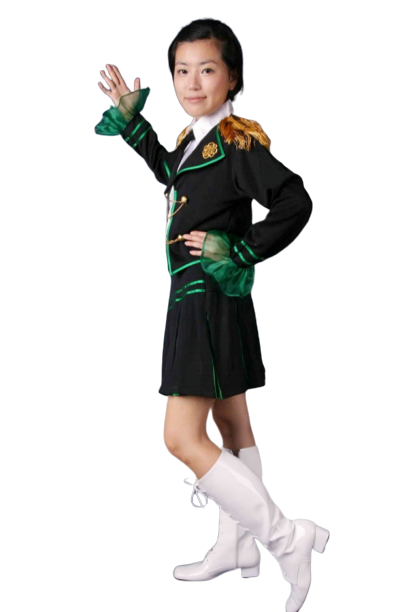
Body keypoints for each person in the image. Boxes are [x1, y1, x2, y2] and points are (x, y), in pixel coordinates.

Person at [95, 16, 329, 610]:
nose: (192, 82)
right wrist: (134, 124)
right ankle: (236, 546)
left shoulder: (235, 141)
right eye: (181, 70)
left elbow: (295, 199)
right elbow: (173, 176)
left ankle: (285, 539)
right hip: (207, 300)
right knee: (233, 429)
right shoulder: (195, 140)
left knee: (180, 437)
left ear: (233, 78)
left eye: (206, 70)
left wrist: (242, 249)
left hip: (206, 299)